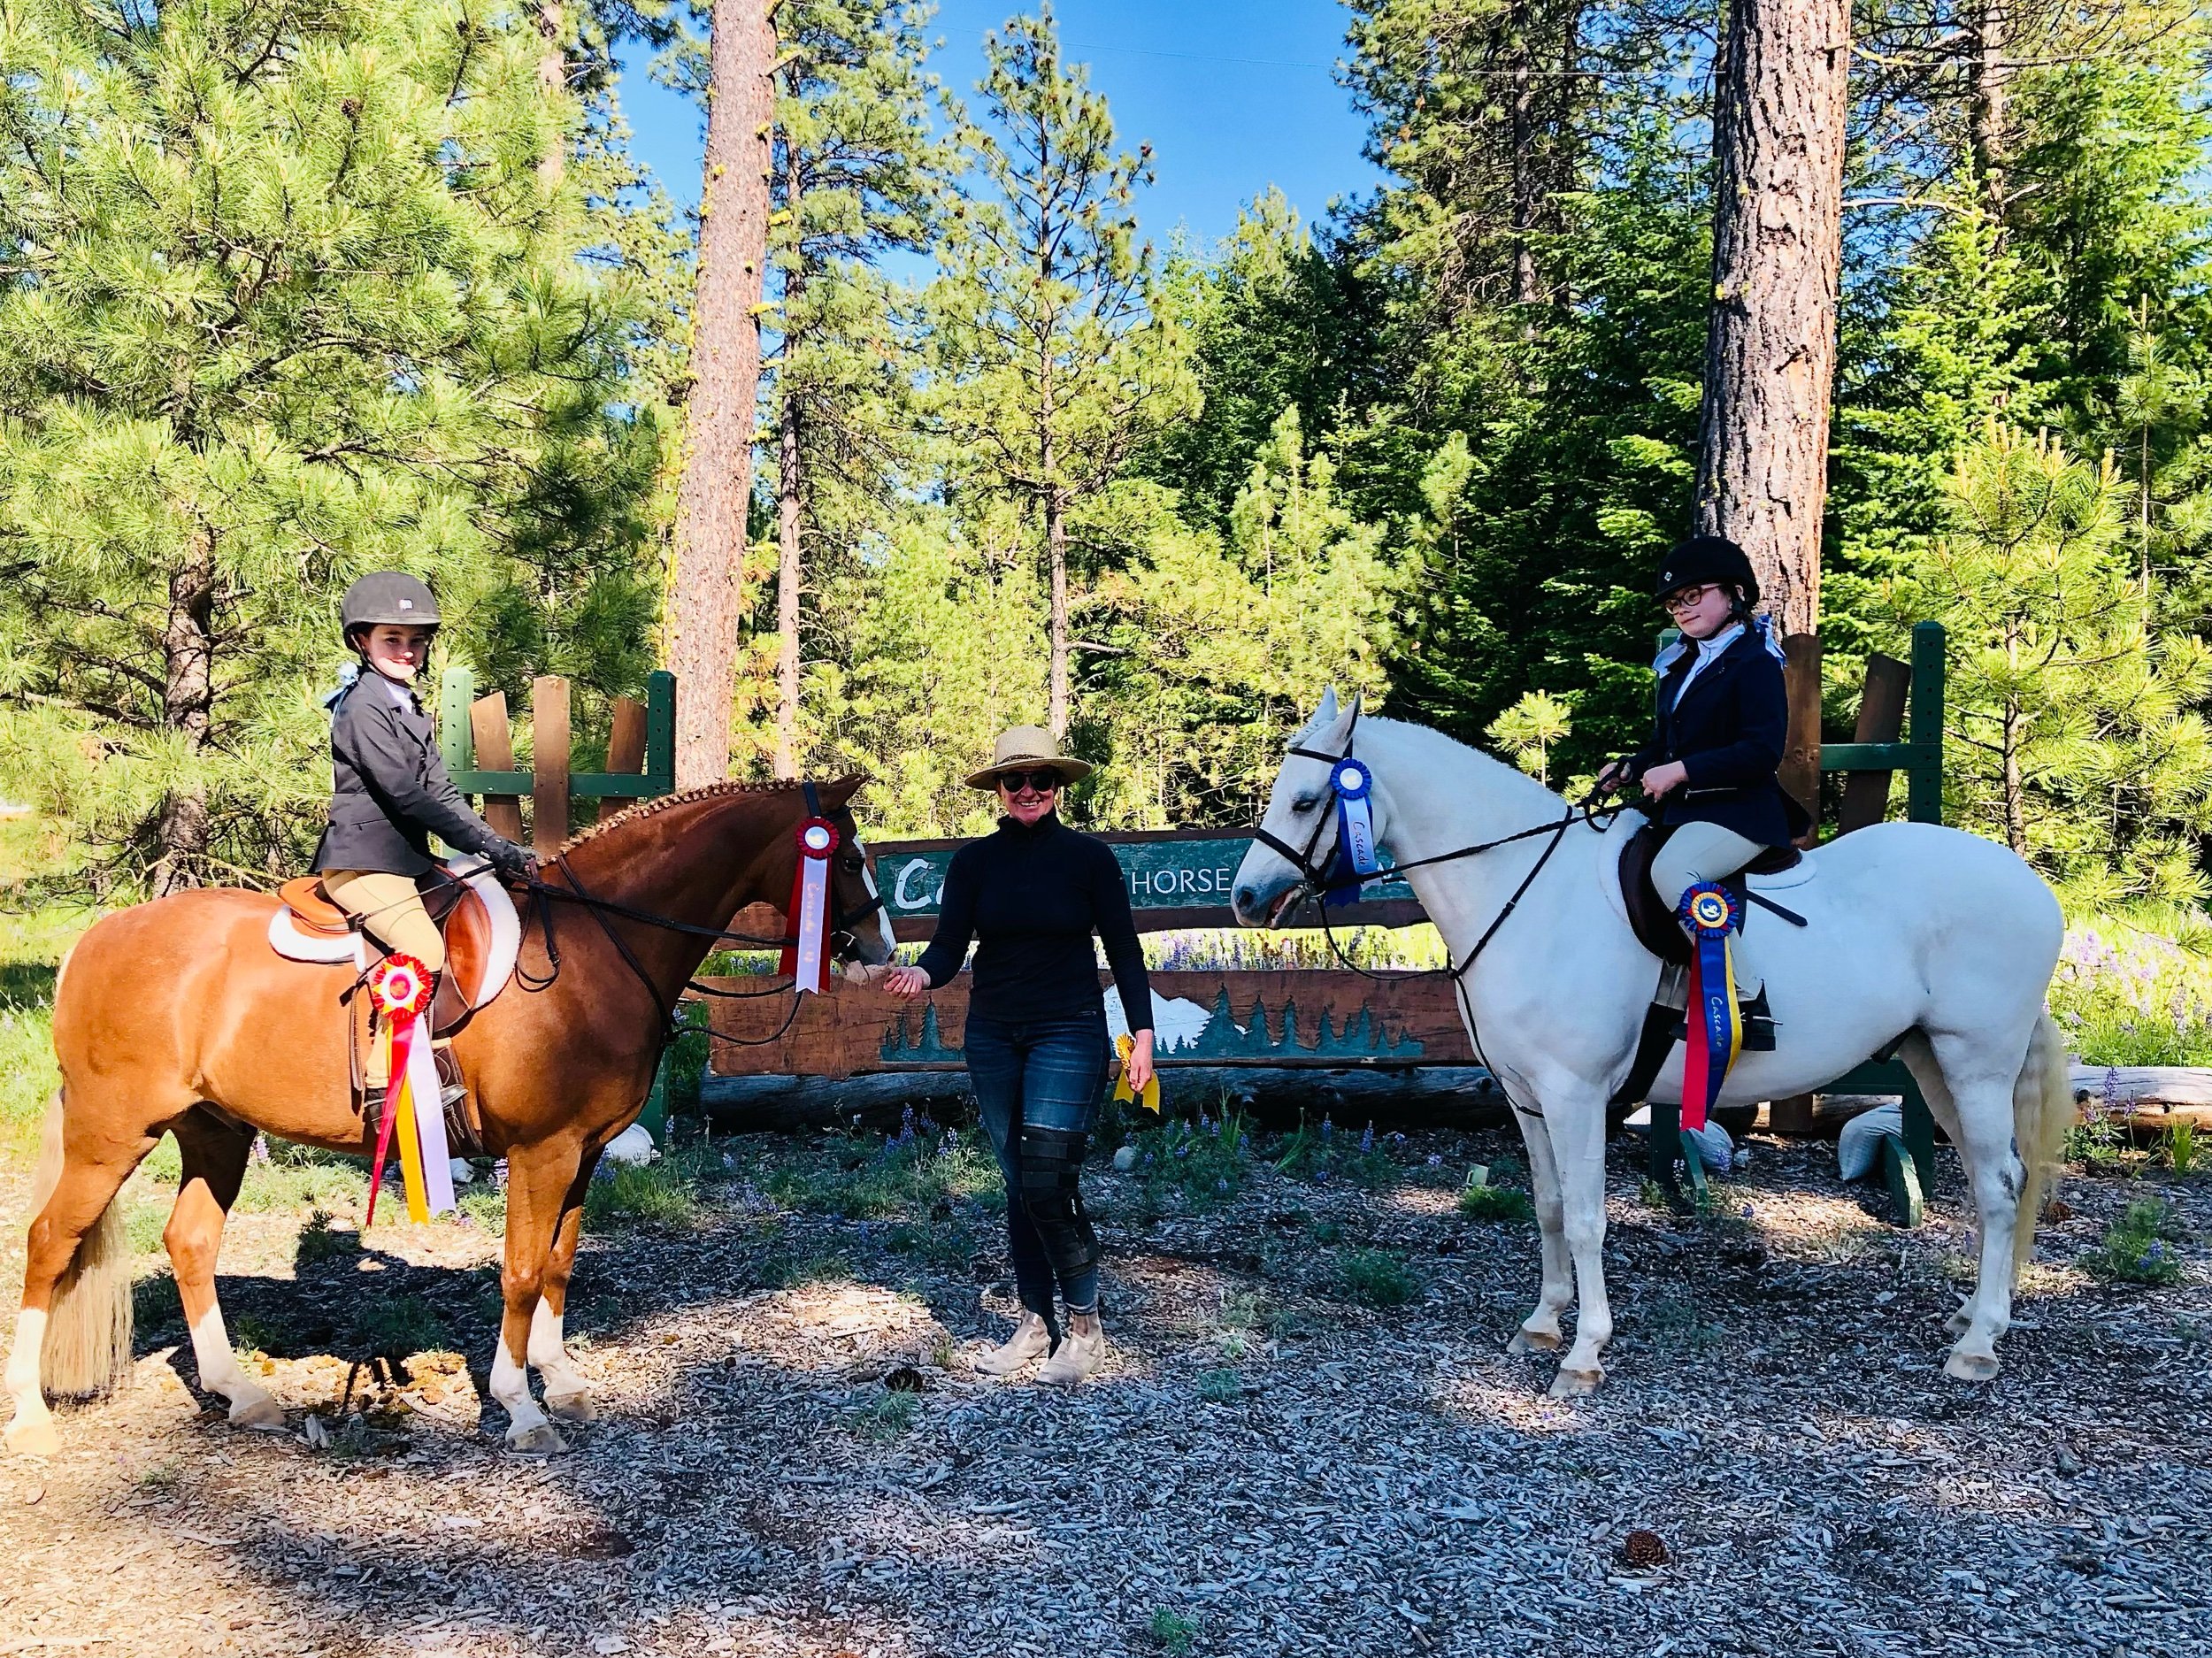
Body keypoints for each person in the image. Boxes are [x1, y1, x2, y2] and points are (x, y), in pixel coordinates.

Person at [881, 725, 1156, 1386]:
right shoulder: (974, 863)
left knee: (1047, 1182)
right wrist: (921, 973)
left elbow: (1124, 948)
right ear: (999, 789)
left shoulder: (1089, 859)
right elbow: (949, 947)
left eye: (1041, 779)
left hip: (1070, 1031)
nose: (1028, 790)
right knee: (1018, 1183)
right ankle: (1035, 1321)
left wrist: (1143, 1035)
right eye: (1015, 780)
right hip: (994, 1036)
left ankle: (1085, 1329)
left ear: (1057, 786)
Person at [312, 572, 534, 1109]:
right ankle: (383, 1075)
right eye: (392, 639)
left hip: (406, 861)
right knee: (424, 948)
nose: (407, 651)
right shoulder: (362, 707)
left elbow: (442, 792)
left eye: (416, 641)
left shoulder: (407, 706)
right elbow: (406, 795)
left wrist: (494, 844)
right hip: (363, 862)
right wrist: (486, 846)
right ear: (362, 641)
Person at [1600, 534, 1811, 917]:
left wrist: (1680, 771)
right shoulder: (1680, 666)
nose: (1681, 609)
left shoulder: (1756, 662)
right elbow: (1666, 744)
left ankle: (1736, 962)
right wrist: (1630, 768)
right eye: (1674, 603)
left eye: (1693, 595)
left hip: (1740, 812)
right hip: (1684, 810)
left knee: (1674, 872)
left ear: (1735, 594)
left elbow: (1760, 752)